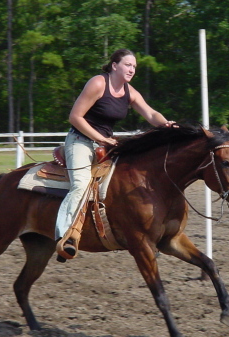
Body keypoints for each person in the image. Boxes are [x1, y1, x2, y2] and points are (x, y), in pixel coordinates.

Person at [55, 48, 175, 262]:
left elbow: (150, 113)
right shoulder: (99, 83)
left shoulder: (129, 91)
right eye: (128, 65)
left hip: (106, 144)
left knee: (127, 181)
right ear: (114, 66)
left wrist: (165, 123)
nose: (132, 69)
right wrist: (100, 139)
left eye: (134, 67)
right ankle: (65, 236)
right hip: (81, 141)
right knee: (81, 185)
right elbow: (75, 117)